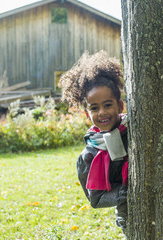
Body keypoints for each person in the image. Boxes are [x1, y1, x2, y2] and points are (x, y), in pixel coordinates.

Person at [58, 51, 129, 233]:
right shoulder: (89, 156)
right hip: (130, 217)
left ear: (120, 106)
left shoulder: (133, 129)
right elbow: (95, 199)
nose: (102, 113)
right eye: (94, 108)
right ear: (87, 113)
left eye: (108, 105)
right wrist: (124, 192)